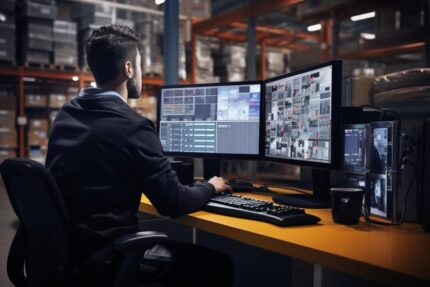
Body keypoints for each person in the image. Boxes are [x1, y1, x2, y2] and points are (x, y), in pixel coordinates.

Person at [46, 24, 233, 286]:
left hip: (69, 253)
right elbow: (174, 203)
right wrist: (210, 186)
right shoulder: (133, 126)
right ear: (129, 69)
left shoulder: (66, 115)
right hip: (108, 258)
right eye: (140, 65)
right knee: (216, 265)